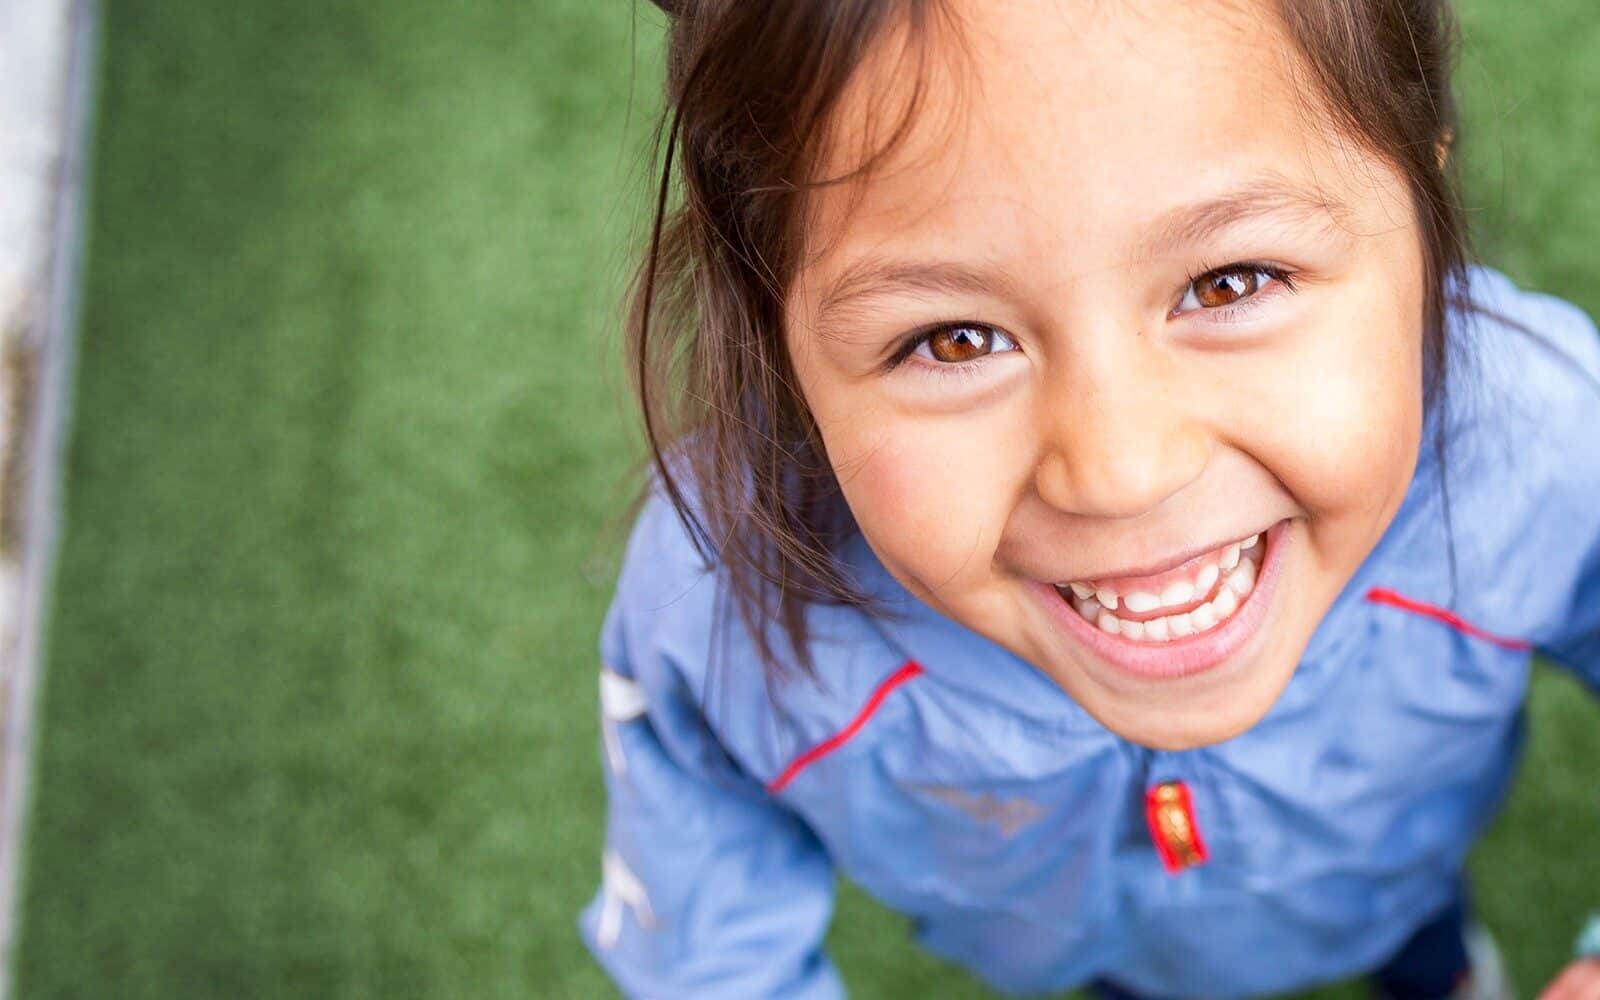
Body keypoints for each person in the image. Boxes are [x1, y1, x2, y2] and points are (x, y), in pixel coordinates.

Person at [579, 1, 1600, 996]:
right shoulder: (721, 614)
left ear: (1423, 173)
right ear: (775, 333)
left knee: (1417, 937)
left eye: (1231, 281)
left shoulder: (1541, 440)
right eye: (953, 340)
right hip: (1098, 952)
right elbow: (704, 945)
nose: (1120, 472)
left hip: (1398, 880)